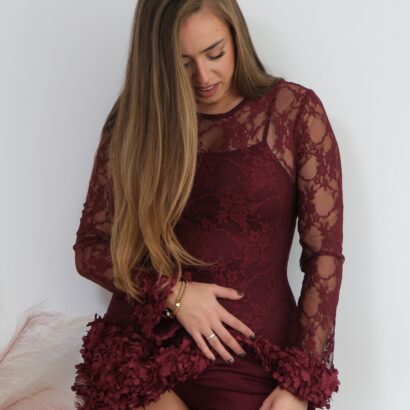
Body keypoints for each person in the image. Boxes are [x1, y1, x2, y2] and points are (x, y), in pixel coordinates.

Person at [71, 1, 345, 409]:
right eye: (182, 63)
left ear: (236, 37)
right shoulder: (136, 122)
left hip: (252, 359)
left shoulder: (293, 112)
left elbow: (323, 256)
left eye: (215, 53)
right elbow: (91, 248)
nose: (203, 76)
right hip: (142, 356)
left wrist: (300, 383)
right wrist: (173, 293)